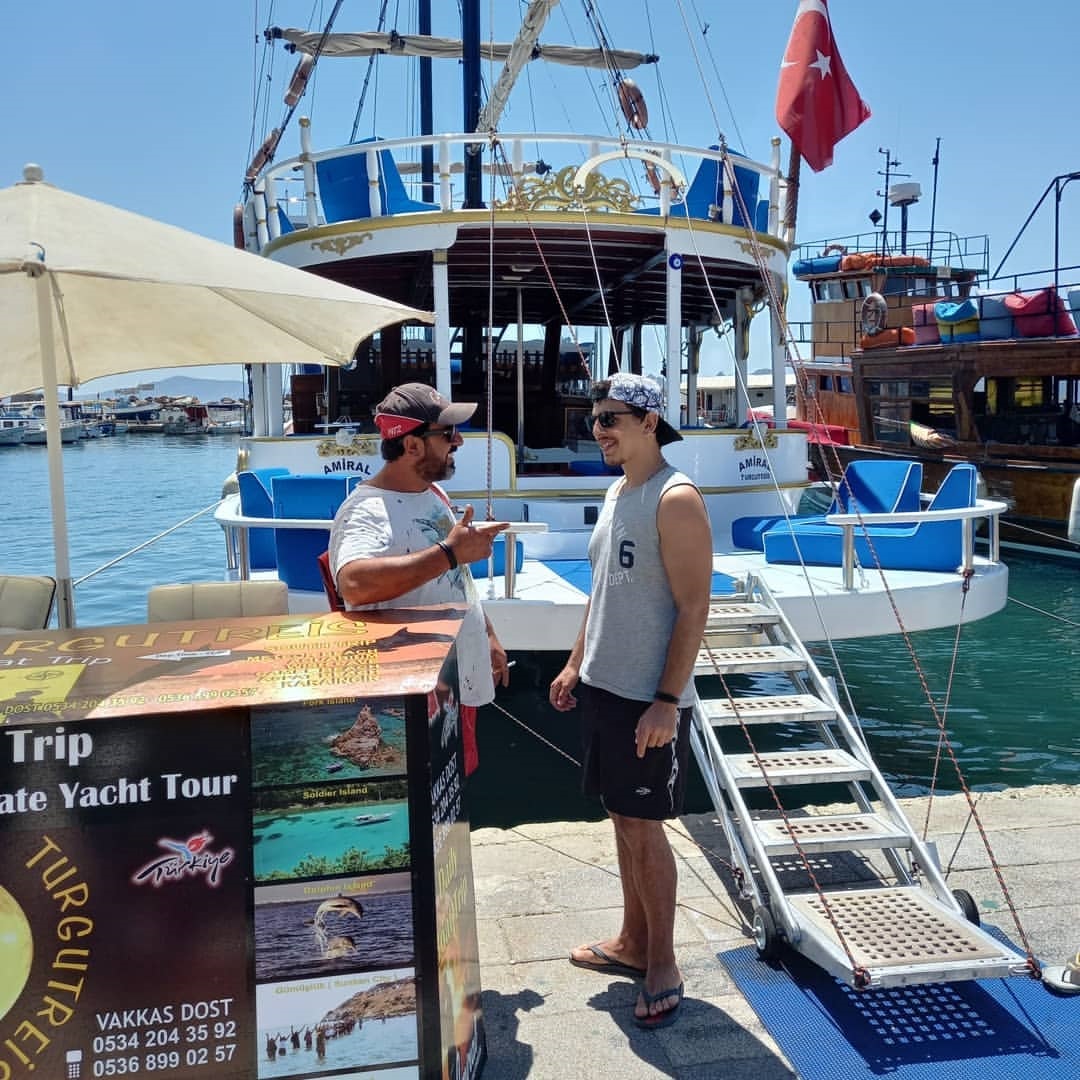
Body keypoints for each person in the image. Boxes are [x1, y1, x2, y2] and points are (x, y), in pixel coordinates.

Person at [549, 372, 712, 1030]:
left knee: (645, 828)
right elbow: (602, 588)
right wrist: (573, 664)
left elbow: (694, 607)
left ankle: (663, 962)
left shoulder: (675, 498)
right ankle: (631, 941)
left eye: (611, 418)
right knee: (621, 818)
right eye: (594, 420)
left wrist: (667, 701)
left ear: (649, 422)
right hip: (604, 687)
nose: (599, 431)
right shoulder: (618, 490)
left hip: (648, 698)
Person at [328, 382, 512, 772]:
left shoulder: (433, 494)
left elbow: (456, 577)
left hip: (454, 681)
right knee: (426, 791)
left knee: (457, 785)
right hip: (416, 698)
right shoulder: (364, 510)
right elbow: (353, 583)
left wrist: (488, 634)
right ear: (411, 445)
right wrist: (450, 553)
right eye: (447, 433)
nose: (458, 441)